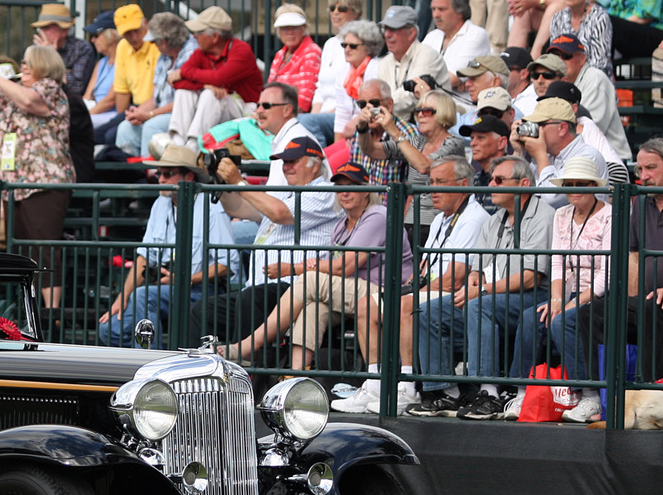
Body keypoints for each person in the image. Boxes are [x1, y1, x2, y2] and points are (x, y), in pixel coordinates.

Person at [562, 139, 663, 421]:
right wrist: (630, 301)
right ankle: (602, 396)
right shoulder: (641, 203)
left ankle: (654, 394)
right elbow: (634, 258)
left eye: (651, 168)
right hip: (651, 299)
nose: (643, 175)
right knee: (592, 314)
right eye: (640, 168)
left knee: (651, 314)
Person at [333, 154, 487, 414]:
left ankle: (406, 387)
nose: (431, 190)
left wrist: (412, 291)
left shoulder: (474, 217)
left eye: (439, 182)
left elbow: (455, 279)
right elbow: (423, 268)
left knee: (405, 304)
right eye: (430, 182)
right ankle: (374, 384)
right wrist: (411, 285)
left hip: (452, 296)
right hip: (428, 290)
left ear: (462, 185)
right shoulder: (440, 218)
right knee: (366, 305)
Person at [224, 161, 411, 370]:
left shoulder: (377, 215)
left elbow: (343, 267)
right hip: (354, 292)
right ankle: (296, 377)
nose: (345, 193)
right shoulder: (342, 224)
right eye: (340, 188)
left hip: (387, 293)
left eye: (352, 187)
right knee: (312, 308)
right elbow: (337, 267)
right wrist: (319, 265)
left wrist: (299, 268)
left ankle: (250, 345)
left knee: (309, 281)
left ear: (366, 190)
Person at [408, 155, 551, 419]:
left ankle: (488, 393)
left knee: (479, 305)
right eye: (492, 178)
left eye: (499, 180)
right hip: (495, 298)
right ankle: (446, 392)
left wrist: (482, 290)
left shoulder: (543, 215)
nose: (491, 184)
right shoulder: (495, 219)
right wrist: (475, 276)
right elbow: (478, 267)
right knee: (428, 311)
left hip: (533, 297)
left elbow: (531, 278)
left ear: (522, 184)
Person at [191, 136, 343, 346]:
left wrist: (238, 181)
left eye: (293, 161)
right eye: (284, 162)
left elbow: (279, 213)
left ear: (315, 165)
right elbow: (238, 208)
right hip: (260, 290)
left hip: (295, 288)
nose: (286, 167)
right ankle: (198, 370)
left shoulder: (325, 192)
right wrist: (221, 181)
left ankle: (242, 370)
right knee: (202, 310)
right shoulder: (282, 192)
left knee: (251, 300)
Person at [98, 145, 238, 346]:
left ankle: (151, 365)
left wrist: (186, 280)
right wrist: (122, 297)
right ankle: (156, 354)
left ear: (188, 176)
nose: (160, 179)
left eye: (168, 174)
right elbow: (145, 257)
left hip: (202, 289)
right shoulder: (160, 203)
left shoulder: (211, 205)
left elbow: (228, 265)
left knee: (145, 296)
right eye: (159, 174)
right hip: (164, 288)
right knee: (108, 329)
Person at [0, 44, 73, 306]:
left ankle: (51, 313)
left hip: (44, 183)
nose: (23, 66)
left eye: (28, 62)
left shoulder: (50, 89)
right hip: (14, 183)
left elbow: (28, 100)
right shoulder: (13, 94)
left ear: (44, 66)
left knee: (44, 248)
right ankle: (30, 310)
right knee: (23, 252)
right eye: (22, 62)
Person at [513, 156, 613, 419]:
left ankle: (589, 394)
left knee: (561, 322)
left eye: (581, 183)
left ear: (594, 185)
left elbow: (606, 276)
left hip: (600, 295)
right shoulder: (561, 214)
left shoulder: (609, 215)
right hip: (567, 291)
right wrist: (557, 300)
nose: (574, 189)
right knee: (531, 317)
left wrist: (569, 305)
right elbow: (557, 263)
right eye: (569, 183)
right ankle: (522, 391)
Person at [166, 6, 262, 146]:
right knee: (185, 91)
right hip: (217, 109)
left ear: (215, 37)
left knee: (210, 95)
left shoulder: (241, 49)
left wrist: (183, 72)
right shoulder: (202, 52)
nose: (194, 36)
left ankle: (194, 145)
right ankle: (178, 142)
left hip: (247, 110)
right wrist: (204, 85)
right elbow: (176, 83)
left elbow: (219, 78)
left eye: (199, 32)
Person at [380, 89, 467, 227]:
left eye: (426, 111)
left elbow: (425, 167)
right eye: (418, 111)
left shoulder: (454, 143)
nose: (420, 115)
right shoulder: (416, 142)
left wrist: (395, 133)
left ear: (444, 113)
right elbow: (373, 151)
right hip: (411, 222)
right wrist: (362, 129)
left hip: (439, 223)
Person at [116, 11, 197, 158]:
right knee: (125, 127)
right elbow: (155, 98)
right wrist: (137, 113)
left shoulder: (192, 53)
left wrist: (149, 115)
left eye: (154, 42)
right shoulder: (164, 56)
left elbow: (183, 101)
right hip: (162, 112)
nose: (152, 45)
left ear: (163, 42)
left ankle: (151, 176)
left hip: (185, 114)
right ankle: (129, 177)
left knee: (152, 126)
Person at [544, 33, 630, 159]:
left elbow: (587, 129)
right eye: (555, 57)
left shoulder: (595, 79)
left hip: (610, 162)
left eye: (566, 56)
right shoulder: (553, 81)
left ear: (583, 59)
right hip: (575, 157)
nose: (560, 61)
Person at [368, 5, 451, 121]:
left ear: (411, 33)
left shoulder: (427, 55)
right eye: (385, 29)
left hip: (428, 131)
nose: (387, 35)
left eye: (393, 29)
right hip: (396, 126)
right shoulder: (385, 61)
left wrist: (379, 108)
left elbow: (410, 97)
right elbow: (381, 98)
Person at [543, 0, 614, 78]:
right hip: (564, 79)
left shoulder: (599, 17)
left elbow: (600, 63)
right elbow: (555, 58)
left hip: (593, 81)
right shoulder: (558, 18)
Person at [311, 0, 368, 129]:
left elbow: (355, 91)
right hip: (322, 115)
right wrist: (314, 116)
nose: (335, 12)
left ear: (356, 13)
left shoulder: (360, 45)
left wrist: (314, 120)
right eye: (332, 8)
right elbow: (320, 88)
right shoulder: (330, 44)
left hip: (345, 115)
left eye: (342, 8)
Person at [343, 80, 410, 191]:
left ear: (390, 104)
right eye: (362, 104)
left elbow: (413, 185)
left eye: (374, 103)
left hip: (392, 207)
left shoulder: (407, 132)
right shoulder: (360, 131)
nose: (368, 109)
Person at [322, 21, 385, 138]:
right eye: (344, 45)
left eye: (353, 46)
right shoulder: (343, 70)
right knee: (327, 155)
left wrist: (357, 121)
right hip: (349, 135)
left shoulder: (377, 68)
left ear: (369, 47)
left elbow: (375, 107)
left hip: (369, 136)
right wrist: (338, 144)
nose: (347, 50)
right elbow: (341, 113)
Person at [423, 0, 492, 89]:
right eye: (433, 9)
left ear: (460, 11)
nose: (435, 15)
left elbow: (452, 79)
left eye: (442, 9)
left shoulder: (476, 35)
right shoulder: (432, 36)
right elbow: (413, 71)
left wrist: (422, 81)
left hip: (460, 104)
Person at [31, 3, 95, 102]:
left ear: (64, 30)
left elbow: (75, 88)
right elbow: (30, 81)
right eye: (40, 28)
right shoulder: (37, 49)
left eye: (46, 27)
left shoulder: (82, 48)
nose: (41, 32)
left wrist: (51, 56)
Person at [108, 4, 159, 125]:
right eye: (127, 33)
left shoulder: (157, 45)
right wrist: (120, 119)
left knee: (110, 136)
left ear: (145, 23)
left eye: (136, 30)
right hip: (134, 108)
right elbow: (122, 90)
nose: (134, 37)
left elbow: (157, 94)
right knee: (102, 134)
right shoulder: (122, 46)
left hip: (155, 108)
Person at [265, 4, 321, 112]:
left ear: (304, 28)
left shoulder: (311, 51)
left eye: (294, 27)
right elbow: (269, 90)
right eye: (285, 28)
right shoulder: (280, 55)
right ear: (278, 31)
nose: (289, 32)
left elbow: (304, 100)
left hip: (292, 114)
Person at [83, 12, 121, 144]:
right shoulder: (101, 63)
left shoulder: (123, 62)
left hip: (111, 114)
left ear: (111, 35)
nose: (92, 40)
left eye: (96, 36)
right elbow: (88, 96)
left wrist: (85, 116)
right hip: (96, 112)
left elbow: (110, 101)